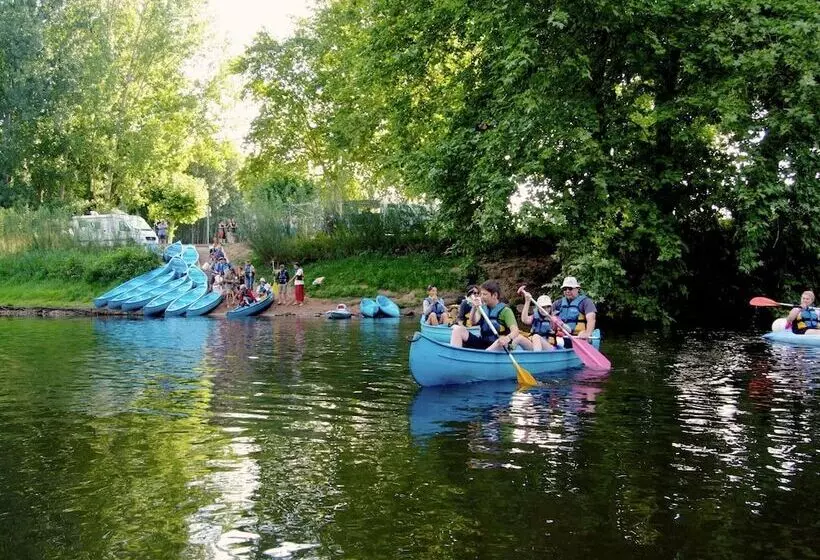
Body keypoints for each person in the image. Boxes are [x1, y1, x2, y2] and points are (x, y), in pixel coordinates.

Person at [450, 280, 519, 351]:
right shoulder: (482, 308)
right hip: (483, 342)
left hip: (499, 345)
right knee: (458, 330)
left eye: (485, 294)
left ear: (495, 295)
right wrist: (474, 307)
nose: (482, 297)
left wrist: (507, 338)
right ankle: (455, 355)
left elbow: (515, 331)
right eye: (481, 294)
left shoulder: (506, 311)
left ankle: (483, 356)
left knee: (498, 342)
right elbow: (473, 322)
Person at [551, 276, 597, 342]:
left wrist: (587, 333)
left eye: (570, 288)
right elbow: (546, 316)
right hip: (561, 337)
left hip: (578, 337)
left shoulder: (586, 302)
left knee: (584, 334)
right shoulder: (557, 303)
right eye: (565, 289)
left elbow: (591, 319)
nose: (567, 291)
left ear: (577, 289)